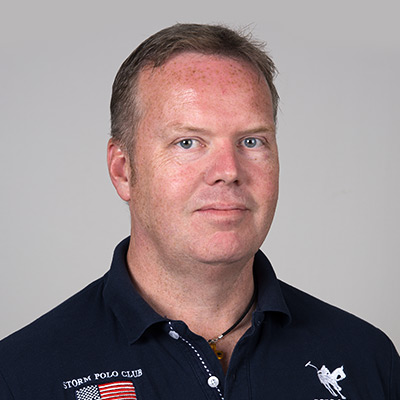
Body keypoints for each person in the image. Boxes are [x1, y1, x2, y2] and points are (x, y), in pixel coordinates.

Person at [0, 23, 398, 400]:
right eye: (188, 142)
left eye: (252, 141)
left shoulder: (366, 359)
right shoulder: (21, 376)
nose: (228, 171)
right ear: (123, 170)